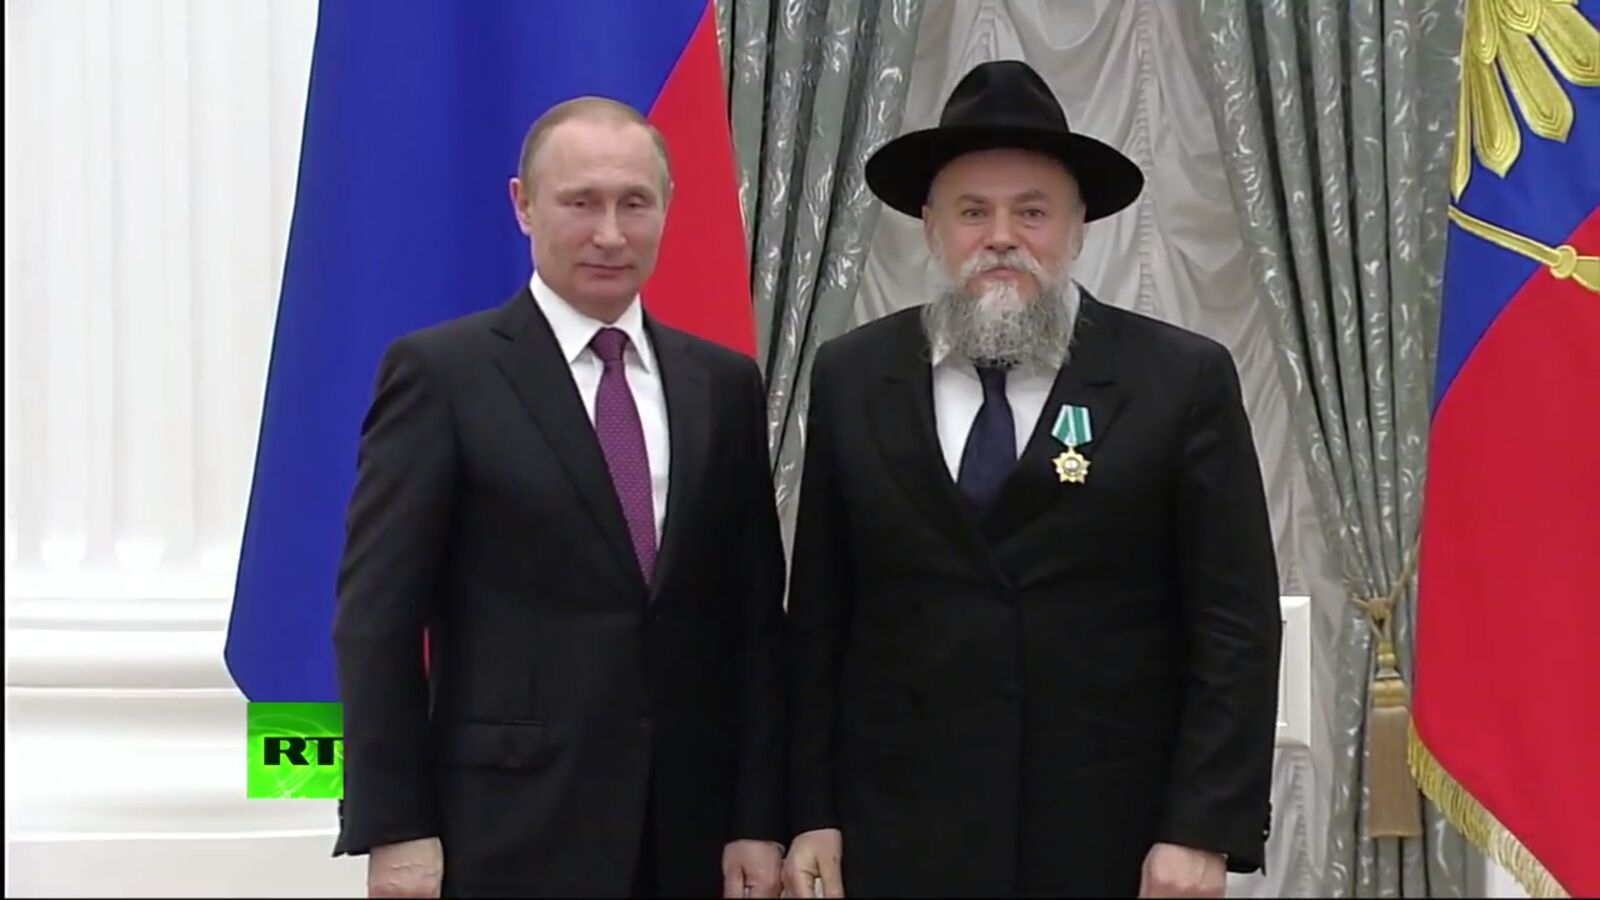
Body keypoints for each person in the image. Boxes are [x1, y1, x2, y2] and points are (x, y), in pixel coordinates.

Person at [781, 60, 1282, 899]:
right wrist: (810, 812)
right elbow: (821, 621)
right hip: (899, 838)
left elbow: (1234, 624)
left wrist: (1202, 827)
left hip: (1110, 839)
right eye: (973, 211)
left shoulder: (1177, 379)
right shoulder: (852, 375)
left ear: (1079, 228)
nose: (1002, 237)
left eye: (1033, 211)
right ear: (932, 227)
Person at [330, 96, 787, 899]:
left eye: (634, 203)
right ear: (524, 205)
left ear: (667, 208)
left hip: (689, 833)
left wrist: (758, 817)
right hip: (507, 833)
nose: (610, 234)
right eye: (581, 203)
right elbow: (379, 621)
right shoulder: (444, 377)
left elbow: (752, 621)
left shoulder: (723, 385)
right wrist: (395, 824)